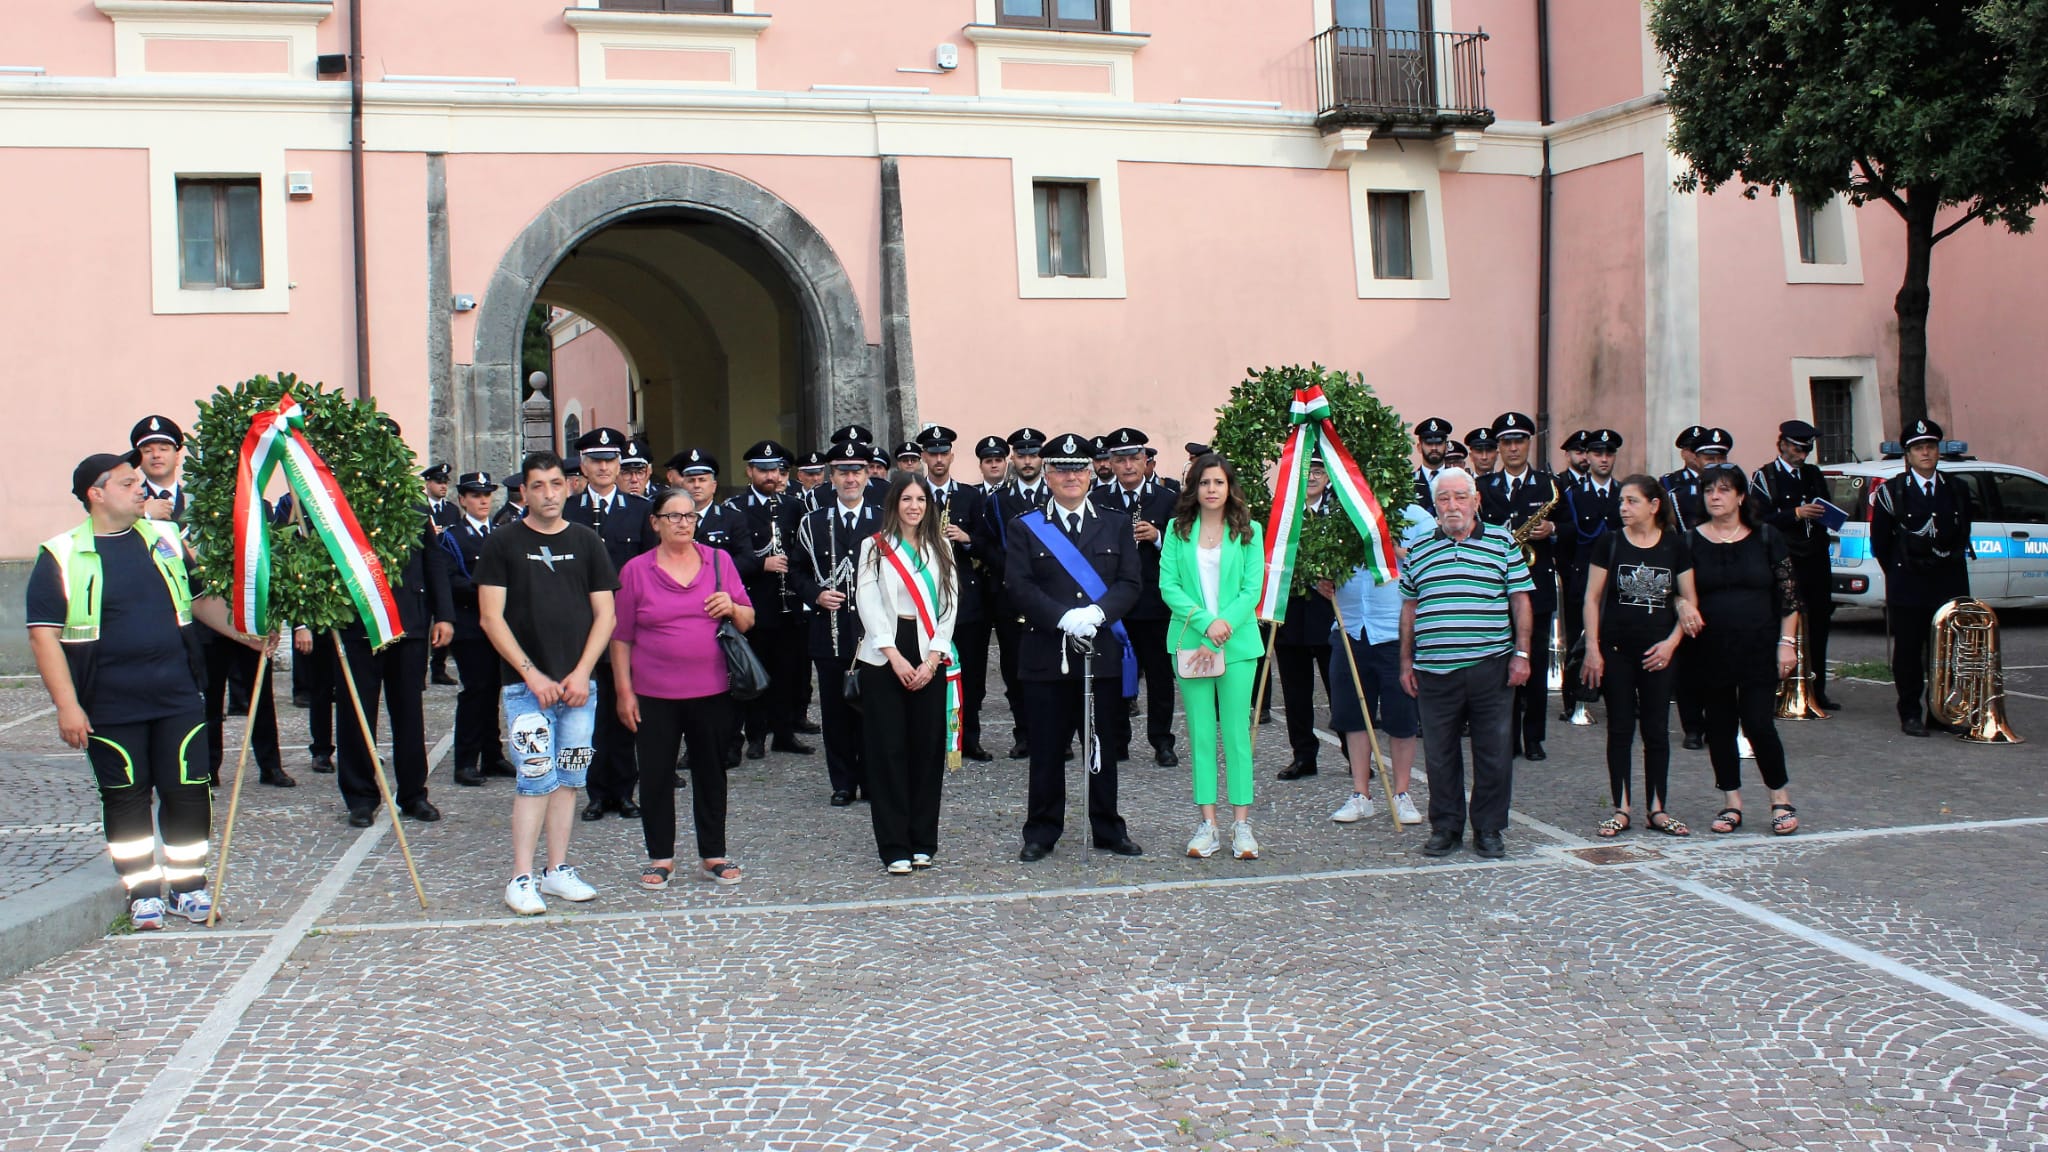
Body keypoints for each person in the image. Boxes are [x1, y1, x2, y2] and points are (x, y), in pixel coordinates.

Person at [27, 451, 265, 928]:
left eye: (139, 481)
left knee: (189, 790)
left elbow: (198, 601)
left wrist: (246, 634)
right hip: (109, 703)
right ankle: (142, 891)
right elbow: (43, 634)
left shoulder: (166, 538)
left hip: (176, 694)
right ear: (96, 494)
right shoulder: (61, 554)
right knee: (125, 795)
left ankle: (187, 886)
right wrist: (67, 705)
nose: (142, 489)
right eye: (127, 482)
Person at [477, 451, 618, 915]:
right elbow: (491, 618)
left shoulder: (587, 541)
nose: (549, 493)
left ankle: (556, 870)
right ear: (524, 492)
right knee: (534, 777)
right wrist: (531, 675)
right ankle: (520, 877)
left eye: (556, 484)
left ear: (568, 487)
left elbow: (606, 615)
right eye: (538, 485)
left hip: (580, 688)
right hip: (526, 688)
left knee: (570, 778)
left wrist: (582, 673)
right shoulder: (502, 543)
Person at [1007, 431, 1144, 861]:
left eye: (1079, 469)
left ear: (1091, 474)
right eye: (1062, 469)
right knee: (1046, 750)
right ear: (1047, 475)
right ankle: (1041, 831)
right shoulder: (1025, 526)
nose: (1071, 477)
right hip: (1047, 654)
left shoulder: (1115, 522)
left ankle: (1108, 827)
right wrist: (1063, 618)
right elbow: (1019, 584)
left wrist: (1099, 615)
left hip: (1100, 651)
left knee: (1101, 747)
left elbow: (1130, 582)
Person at [612, 486, 753, 888]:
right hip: (654, 693)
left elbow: (748, 620)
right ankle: (661, 857)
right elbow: (620, 637)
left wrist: (732, 607)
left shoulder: (719, 562)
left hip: (712, 690)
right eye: (673, 516)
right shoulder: (636, 570)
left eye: (689, 516)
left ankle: (714, 854)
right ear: (655, 523)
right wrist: (624, 691)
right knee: (655, 775)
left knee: (711, 772)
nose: (682, 523)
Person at [1401, 467, 1534, 860]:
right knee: (1440, 754)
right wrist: (1406, 661)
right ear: (1435, 505)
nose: (1452, 505)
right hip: (1434, 668)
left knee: (1492, 752)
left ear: (1476, 501)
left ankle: (1489, 829)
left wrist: (1522, 654)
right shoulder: (1421, 548)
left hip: (1490, 665)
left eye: (1460, 497)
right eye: (1443, 499)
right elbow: (1409, 608)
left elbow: (1520, 600)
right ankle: (1446, 827)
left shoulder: (1501, 542)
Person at [1157, 454, 1266, 860]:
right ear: (1194, 488)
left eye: (1218, 482)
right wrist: (1206, 623)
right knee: (1201, 734)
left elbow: (1250, 591)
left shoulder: (1249, 531)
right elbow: (1168, 586)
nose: (1211, 489)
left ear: (1229, 486)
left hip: (1236, 646)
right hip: (1190, 643)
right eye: (1204, 482)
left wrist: (1220, 631)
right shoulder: (1176, 529)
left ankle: (1242, 825)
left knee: (1237, 735)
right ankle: (1208, 825)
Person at [1581, 475, 1699, 838]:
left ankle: (1657, 808)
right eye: (1621, 501)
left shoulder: (1675, 546)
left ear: (1654, 505)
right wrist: (1592, 648)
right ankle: (1622, 807)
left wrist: (1672, 643)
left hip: (1659, 651)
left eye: (1632, 501)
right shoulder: (1611, 541)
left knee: (1656, 730)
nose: (1623, 508)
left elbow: (1689, 600)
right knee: (1619, 728)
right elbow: (1592, 598)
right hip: (1617, 650)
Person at [855, 473, 960, 874]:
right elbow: (868, 603)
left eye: (921, 499)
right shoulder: (873, 548)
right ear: (893, 504)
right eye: (906, 499)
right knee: (888, 750)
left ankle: (922, 842)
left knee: (926, 750)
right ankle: (894, 845)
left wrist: (933, 658)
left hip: (930, 650)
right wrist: (894, 655)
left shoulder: (942, 547)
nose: (914, 506)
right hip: (885, 653)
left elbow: (949, 606)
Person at [1688, 464, 1803, 835]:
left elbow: (1789, 597)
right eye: (1709, 491)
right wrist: (1681, 606)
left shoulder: (1766, 537)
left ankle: (1779, 797)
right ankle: (1731, 801)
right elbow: (1678, 591)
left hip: (1758, 644)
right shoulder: (1690, 541)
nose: (1715, 497)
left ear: (1740, 496)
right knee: (1719, 725)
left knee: (1757, 722)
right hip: (1710, 648)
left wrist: (1787, 643)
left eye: (1723, 490)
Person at [334, 488, 453, 827]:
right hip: (358, 625)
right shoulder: (340, 500)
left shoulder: (413, 503)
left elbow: (433, 560)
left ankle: (414, 794)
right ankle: (360, 798)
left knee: (409, 714)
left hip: (407, 622)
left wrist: (443, 614)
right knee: (356, 715)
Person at [1322, 505, 1434, 827]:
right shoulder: (1341, 513)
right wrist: (1323, 580)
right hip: (1351, 626)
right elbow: (1326, 562)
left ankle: (1401, 793)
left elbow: (1427, 564)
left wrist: (1393, 548)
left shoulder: (1415, 516)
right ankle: (1361, 794)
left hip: (1395, 629)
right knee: (1353, 716)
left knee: (1401, 716)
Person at [566, 426, 656, 821]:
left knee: (625, 709)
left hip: (625, 626)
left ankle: (624, 790)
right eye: (595, 461)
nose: (603, 468)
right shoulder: (568, 511)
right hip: (579, 626)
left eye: (610, 461)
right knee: (588, 711)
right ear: (583, 466)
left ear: (620, 464)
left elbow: (649, 568)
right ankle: (594, 791)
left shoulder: (639, 511)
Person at [1870, 418, 1973, 738]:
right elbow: (1881, 544)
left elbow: (1962, 534)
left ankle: (1940, 710)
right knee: (1909, 652)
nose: (1926, 453)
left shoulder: (1956, 489)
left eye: (1930, 447)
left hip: (1947, 581)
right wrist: (1901, 572)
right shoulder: (1892, 491)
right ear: (1908, 455)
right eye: (1919, 449)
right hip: (1908, 583)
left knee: (1946, 650)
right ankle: (1910, 712)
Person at [793, 442, 879, 806]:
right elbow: (795, 570)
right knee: (835, 711)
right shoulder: (812, 522)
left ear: (867, 475)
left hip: (875, 633)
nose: (850, 478)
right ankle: (843, 782)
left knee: (873, 711)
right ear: (832, 477)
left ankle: (874, 781)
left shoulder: (884, 518)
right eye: (843, 471)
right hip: (829, 631)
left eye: (857, 471)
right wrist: (815, 594)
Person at [1477, 411, 1563, 761]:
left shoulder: (1548, 486)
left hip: (1535, 587)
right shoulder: (1483, 488)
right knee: (1500, 665)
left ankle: (1535, 737)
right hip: (1496, 589)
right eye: (1506, 443)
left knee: (1536, 663)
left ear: (1528, 443)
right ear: (1499, 447)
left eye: (1519, 441)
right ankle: (1507, 735)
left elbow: (1575, 529)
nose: (1513, 448)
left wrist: (1553, 529)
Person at [1091, 427, 1180, 767]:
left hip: (1155, 602)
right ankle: (1118, 740)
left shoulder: (1168, 498)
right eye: (1120, 459)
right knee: (1113, 675)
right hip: (1114, 604)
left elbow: (1181, 550)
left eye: (1134, 458)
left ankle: (1162, 741)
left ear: (1146, 461)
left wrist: (1158, 536)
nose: (1127, 466)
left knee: (1159, 676)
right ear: (1110, 463)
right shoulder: (1099, 500)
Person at [726, 439, 814, 761]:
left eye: (776, 470)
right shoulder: (736, 508)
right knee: (755, 670)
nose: (771, 476)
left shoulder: (793, 505)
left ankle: (785, 732)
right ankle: (756, 735)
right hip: (755, 601)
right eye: (763, 470)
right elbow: (732, 557)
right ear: (750, 471)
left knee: (788, 671)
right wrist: (762, 563)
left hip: (789, 600)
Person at [1750, 419, 1840, 710]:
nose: (1802, 456)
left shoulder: (1813, 474)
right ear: (1783, 445)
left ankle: (1816, 688)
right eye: (1798, 449)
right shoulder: (1765, 477)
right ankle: (1779, 687)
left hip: (1815, 557)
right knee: (1782, 620)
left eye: (1807, 450)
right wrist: (1796, 513)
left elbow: (1825, 505)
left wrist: (1828, 515)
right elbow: (1757, 519)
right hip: (1784, 559)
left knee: (1818, 622)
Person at [918, 424, 993, 761]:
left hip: (965, 597)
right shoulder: (912, 492)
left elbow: (990, 546)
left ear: (951, 455)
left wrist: (966, 538)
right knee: (927, 668)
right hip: (924, 596)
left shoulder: (970, 496)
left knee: (972, 672)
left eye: (942, 453)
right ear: (923, 457)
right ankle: (930, 738)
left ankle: (969, 737)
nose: (937, 459)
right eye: (931, 453)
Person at [975, 427, 1050, 760]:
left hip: (1052, 595)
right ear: (1013, 460)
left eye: (1033, 454)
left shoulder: (1056, 494)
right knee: (1016, 668)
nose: (1028, 461)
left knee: (1052, 666)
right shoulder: (997, 501)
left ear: (1041, 458)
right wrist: (1012, 569)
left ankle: (1056, 736)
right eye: (1021, 455)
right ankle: (1025, 734)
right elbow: (984, 543)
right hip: (1011, 597)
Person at [443, 472, 514, 787]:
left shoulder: (501, 533)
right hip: (470, 625)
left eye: (486, 495)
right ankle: (466, 761)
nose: (483, 500)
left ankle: (492, 754)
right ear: (462, 500)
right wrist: (489, 589)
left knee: (494, 690)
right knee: (475, 692)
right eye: (475, 495)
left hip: (499, 624)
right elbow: (451, 581)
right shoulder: (452, 537)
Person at [1270, 459, 1335, 780]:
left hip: (1329, 613)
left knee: (1340, 690)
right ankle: (1303, 755)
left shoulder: (1339, 513)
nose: (1312, 477)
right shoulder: (1282, 513)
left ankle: (1356, 754)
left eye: (1319, 471)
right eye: (1306, 471)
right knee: (1296, 694)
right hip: (1291, 614)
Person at [1558, 429, 1624, 680]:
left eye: (1609, 453)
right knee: (1577, 638)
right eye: (1598, 453)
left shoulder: (1623, 494)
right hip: (1582, 575)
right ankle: (1575, 699)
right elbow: (1566, 539)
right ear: (1588, 456)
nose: (1604, 459)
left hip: (1617, 578)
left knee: (1616, 638)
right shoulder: (1573, 495)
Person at [130, 416, 188, 523]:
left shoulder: (194, 498)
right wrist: (144, 515)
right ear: (139, 461)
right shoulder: (130, 502)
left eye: (163, 449)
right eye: (147, 451)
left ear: (177, 457)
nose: (156, 455)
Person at [1411, 417, 1452, 515]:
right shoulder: (1408, 482)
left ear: (1446, 447)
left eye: (1439, 443)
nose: (1434, 448)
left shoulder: (1459, 479)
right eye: (1429, 443)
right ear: (1419, 447)